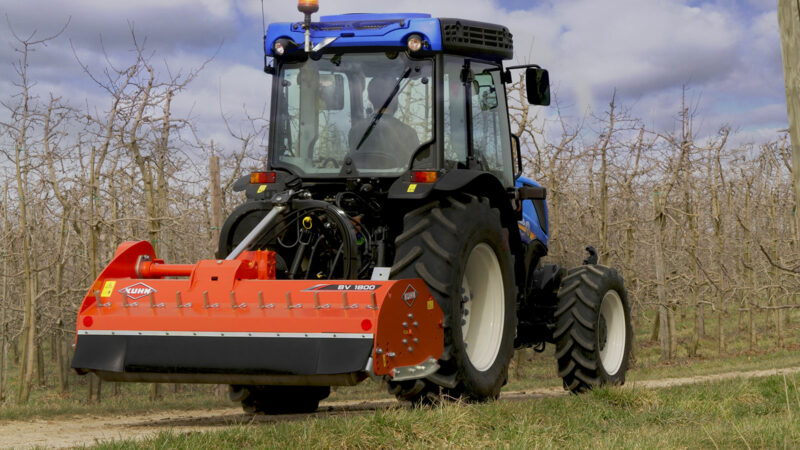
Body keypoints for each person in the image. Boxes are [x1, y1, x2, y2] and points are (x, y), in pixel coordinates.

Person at [348, 77, 420, 168]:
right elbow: (415, 167)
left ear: (369, 97)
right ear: (395, 98)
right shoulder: (409, 133)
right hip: (397, 182)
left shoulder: (355, 130)